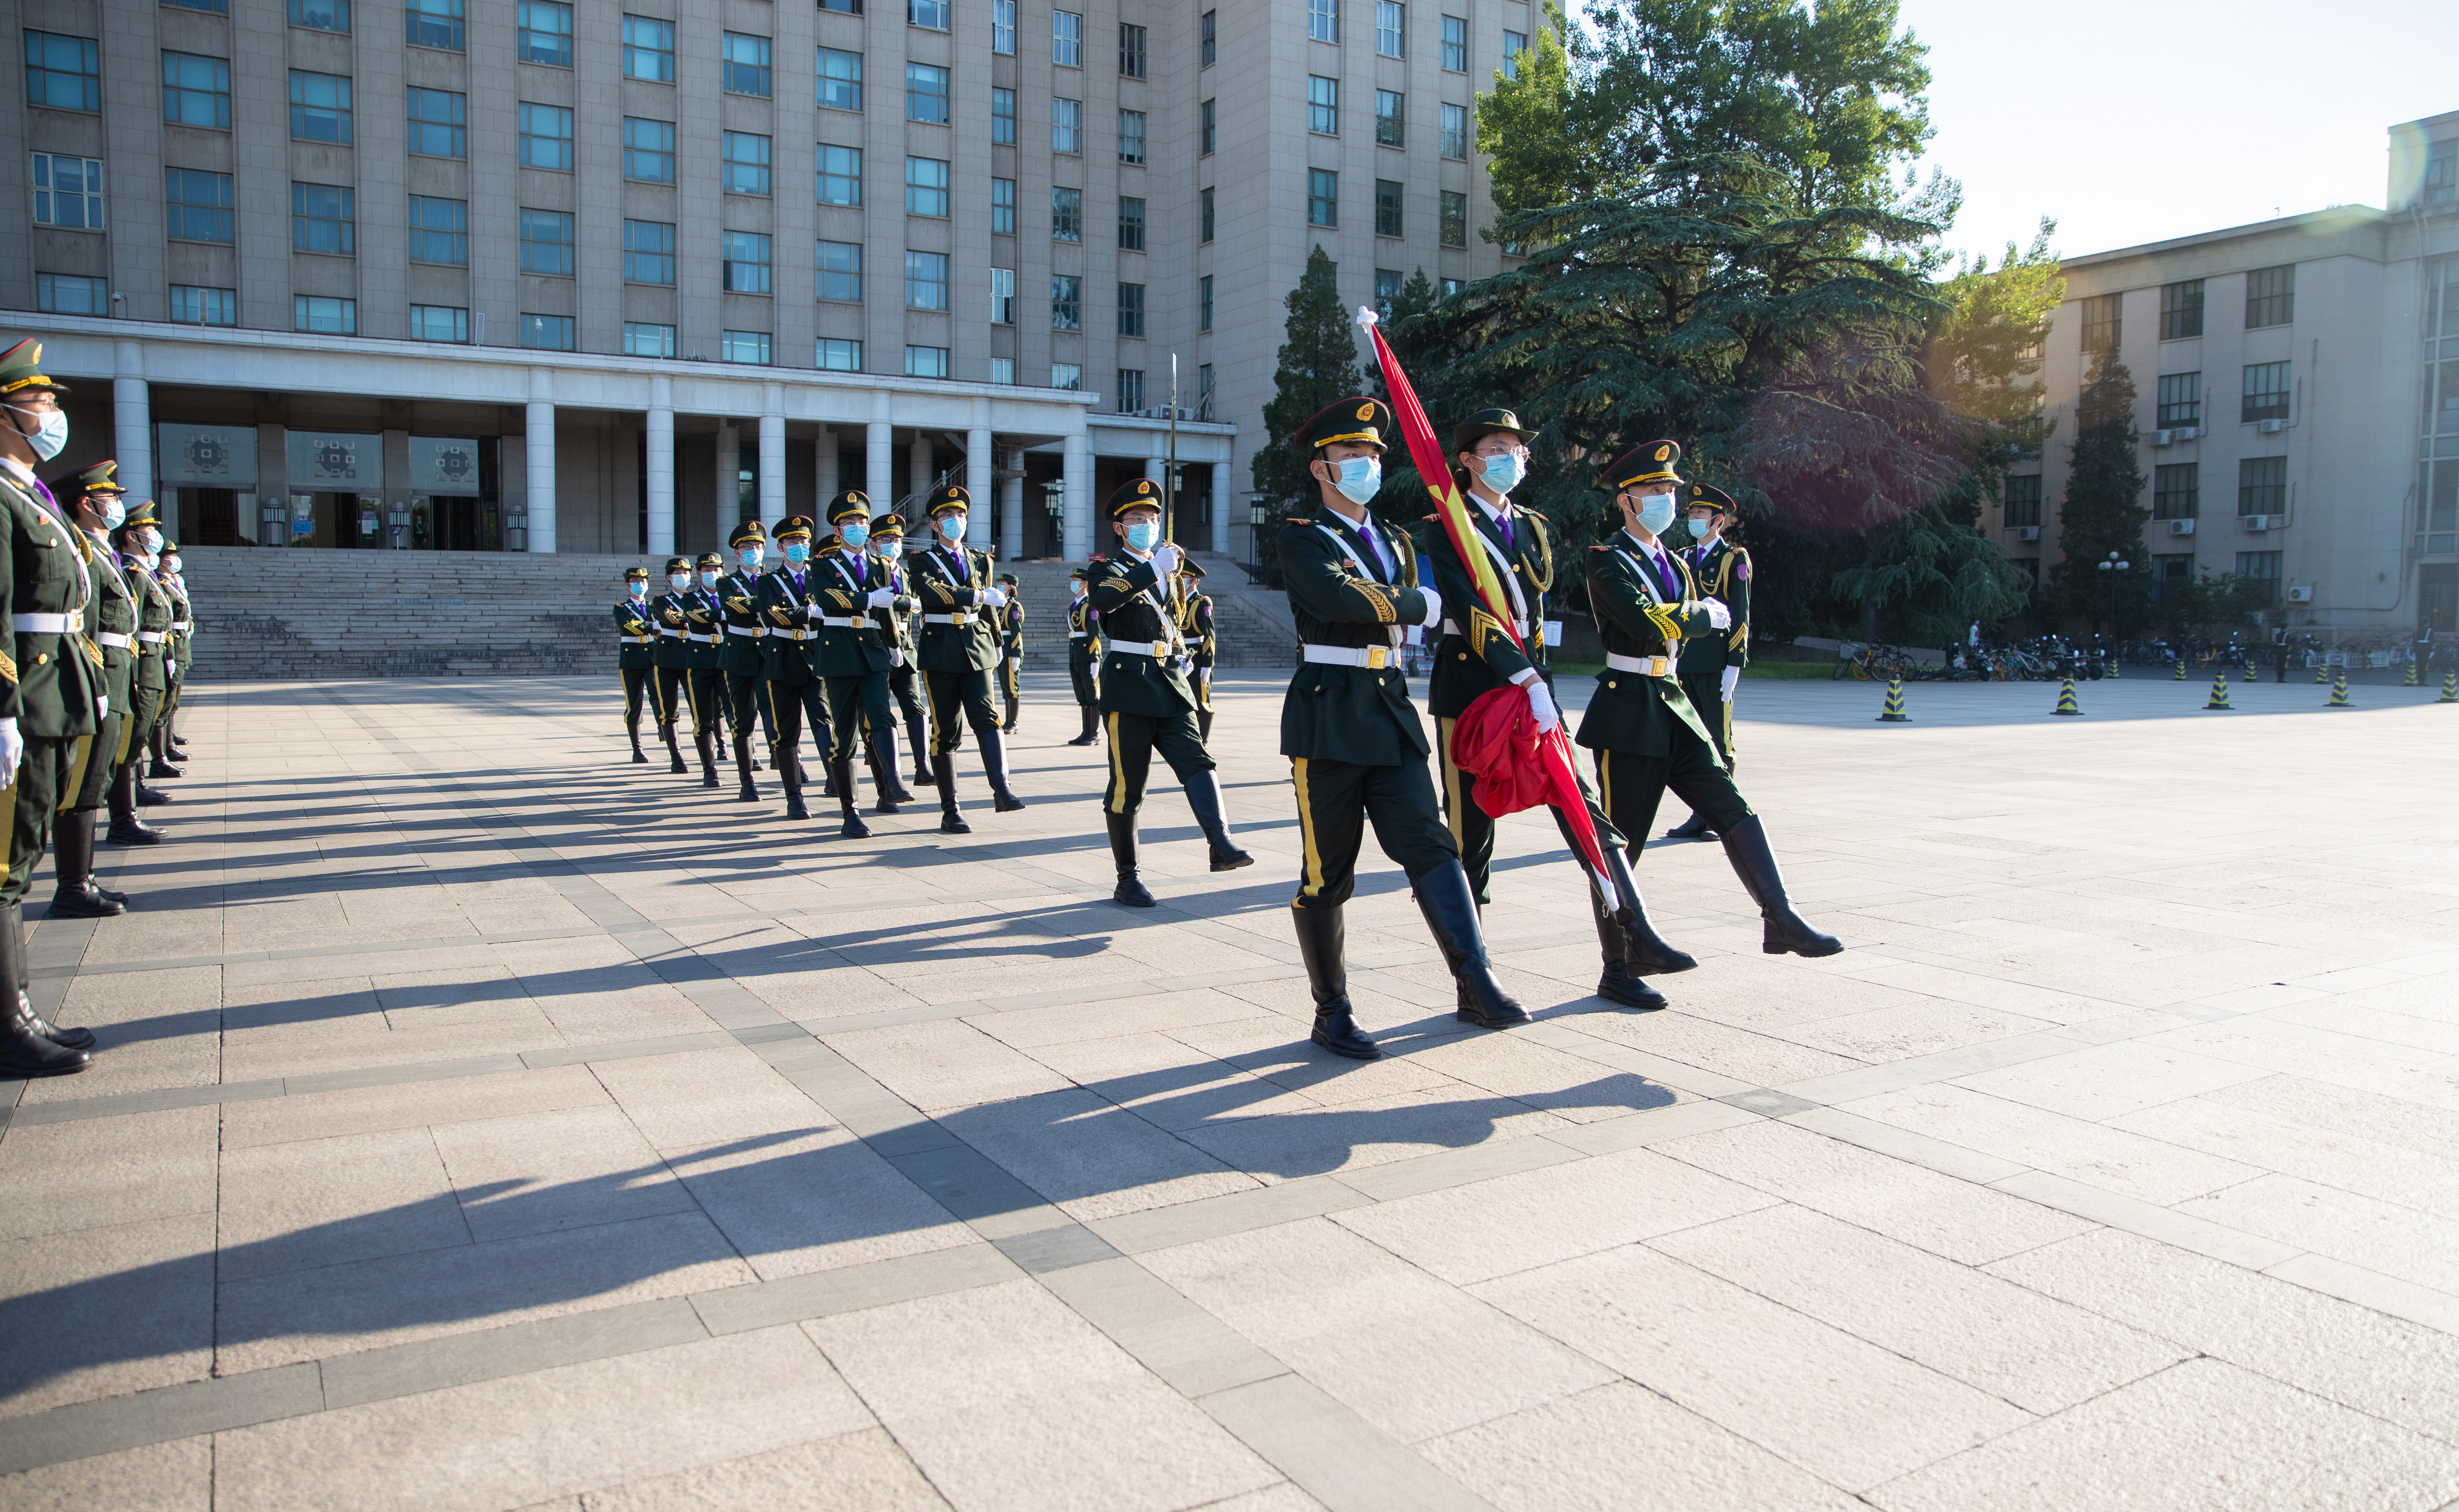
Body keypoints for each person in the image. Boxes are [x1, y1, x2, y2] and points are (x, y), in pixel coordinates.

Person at [1278, 397, 1526, 1060]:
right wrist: (1416, 601)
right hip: (1328, 714)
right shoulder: (1301, 534)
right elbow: (1337, 597)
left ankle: (1476, 980)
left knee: (1433, 845)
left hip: (1389, 710)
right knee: (1327, 873)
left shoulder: (1396, 538)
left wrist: (1519, 672)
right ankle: (1332, 1011)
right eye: (1352, 456)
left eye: (1373, 456)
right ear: (1321, 467)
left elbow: (1456, 607)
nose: (1366, 465)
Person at [1420, 409, 1690, 1013]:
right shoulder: (1447, 525)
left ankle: (1628, 946)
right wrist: (1518, 672)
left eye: (1516, 449)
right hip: (1474, 691)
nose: (1511, 459)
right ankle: (1475, 980)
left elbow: (1535, 609)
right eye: (1496, 448)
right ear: (1467, 459)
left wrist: (1536, 679)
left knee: (1585, 811)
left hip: (1534, 691)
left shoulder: (1534, 526)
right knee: (1470, 838)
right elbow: (1468, 610)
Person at [1579, 440, 1840, 958]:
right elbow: (1644, 620)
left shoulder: (1674, 562)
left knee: (1733, 808)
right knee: (1621, 846)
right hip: (1630, 707)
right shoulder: (1607, 559)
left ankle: (1780, 916)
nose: (1666, 500)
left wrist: (1701, 621)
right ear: (1626, 501)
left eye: (1670, 491)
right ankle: (1620, 964)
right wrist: (1702, 616)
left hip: (1675, 703)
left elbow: (1676, 612)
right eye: (1655, 491)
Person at [0, 338, 99, 1074]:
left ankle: (21, 1007)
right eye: (41, 404)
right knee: (3, 865)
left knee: (23, 851)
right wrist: (3, 705)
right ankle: (9, 1026)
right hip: (26, 691)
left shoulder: (30, 497)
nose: (53, 413)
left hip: (53, 685)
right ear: (7, 417)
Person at [1086, 480, 1252, 905]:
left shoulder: (1172, 576)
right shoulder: (1107, 568)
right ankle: (1128, 878)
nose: (1147, 525)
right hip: (1128, 684)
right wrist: (1152, 569)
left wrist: (1180, 654)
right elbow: (1105, 601)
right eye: (1137, 520)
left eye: (1153, 518)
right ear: (1120, 529)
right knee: (1129, 785)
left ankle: (1221, 841)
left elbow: (1173, 623)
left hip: (1170, 681)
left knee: (1198, 759)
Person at [905, 486, 1025, 831]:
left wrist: (998, 639)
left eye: (960, 515)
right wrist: (974, 594)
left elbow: (988, 607)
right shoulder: (921, 561)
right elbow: (931, 592)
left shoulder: (979, 560)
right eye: (946, 517)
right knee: (946, 730)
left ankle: (1001, 788)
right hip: (940, 649)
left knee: (988, 718)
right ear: (934, 524)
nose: (955, 521)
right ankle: (950, 808)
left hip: (976, 646)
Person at [49, 461, 137, 918]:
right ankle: (71, 886)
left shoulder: (99, 553)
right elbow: (84, 621)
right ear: (86, 503)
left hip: (117, 669)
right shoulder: (84, 552)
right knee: (82, 780)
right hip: (99, 670)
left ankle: (84, 878)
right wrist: (96, 678)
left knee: (98, 773)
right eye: (109, 499)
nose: (115, 507)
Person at [803, 489, 906, 835]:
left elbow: (887, 608)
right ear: (837, 531)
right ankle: (851, 812)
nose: (858, 527)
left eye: (862, 521)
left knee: (881, 713)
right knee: (844, 733)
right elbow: (827, 597)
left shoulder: (880, 565)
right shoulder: (822, 565)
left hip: (874, 650)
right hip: (840, 652)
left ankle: (893, 778)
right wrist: (866, 597)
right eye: (850, 523)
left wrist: (893, 643)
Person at [1663, 481, 1751, 841]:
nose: (1693, 519)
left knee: (1719, 739)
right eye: (1692, 514)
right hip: (1685, 663)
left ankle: (1719, 814)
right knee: (1691, 738)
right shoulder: (1682, 556)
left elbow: (1742, 613)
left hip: (1716, 665)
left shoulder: (1734, 559)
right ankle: (1700, 813)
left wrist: (1735, 663)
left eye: (1700, 514)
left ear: (1717, 520)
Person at [753, 516, 835, 820]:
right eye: (792, 542)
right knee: (787, 731)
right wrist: (809, 612)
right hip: (783, 659)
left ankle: (834, 777)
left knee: (823, 720)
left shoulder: (821, 577)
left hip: (815, 659)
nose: (799, 547)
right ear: (780, 547)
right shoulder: (769, 582)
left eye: (803, 541)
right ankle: (795, 796)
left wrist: (810, 614)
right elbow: (773, 616)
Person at [113, 503, 176, 817]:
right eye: (150, 532)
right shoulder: (132, 573)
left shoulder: (146, 574)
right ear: (132, 535)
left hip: (155, 656)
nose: (156, 538)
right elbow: (133, 624)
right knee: (134, 731)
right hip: (142, 661)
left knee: (143, 728)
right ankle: (125, 809)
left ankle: (136, 787)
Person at [869, 512, 937, 790]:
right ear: (874, 544)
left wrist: (908, 604)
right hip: (875, 646)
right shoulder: (871, 571)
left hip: (906, 649)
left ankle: (923, 766)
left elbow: (918, 602)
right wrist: (907, 603)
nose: (893, 544)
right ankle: (887, 780)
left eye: (897, 539)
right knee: (878, 714)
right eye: (886, 539)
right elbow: (879, 604)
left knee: (915, 707)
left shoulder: (906, 574)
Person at [713, 521, 775, 801]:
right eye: (747, 548)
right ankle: (746, 779)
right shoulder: (725, 582)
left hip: (768, 653)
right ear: (737, 554)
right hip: (738, 655)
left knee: (773, 711)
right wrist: (765, 602)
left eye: (758, 547)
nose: (753, 552)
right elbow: (731, 606)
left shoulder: (772, 579)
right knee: (742, 720)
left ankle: (787, 759)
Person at [613, 565, 659, 763]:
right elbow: (628, 627)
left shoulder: (653, 608)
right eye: (636, 582)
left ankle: (663, 728)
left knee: (658, 694)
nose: (640, 585)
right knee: (634, 703)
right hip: (631, 659)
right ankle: (637, 748)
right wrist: (652, 627)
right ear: (627, 585)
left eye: (643, 582)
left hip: (652, 657)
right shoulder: (621, 609)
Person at [1176, 558, 1219, 745]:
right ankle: (1189, 736)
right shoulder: (1180, 602)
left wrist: (1208, 664)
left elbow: (1210, 634)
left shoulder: (1202, 602)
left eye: (1184, 577)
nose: (1182, 581)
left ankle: (1203, 740)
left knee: (1201, 700)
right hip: (1183, 655)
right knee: (1185, 699)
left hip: (1199, 656)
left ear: (1194, 580)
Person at [1064, 565, 1102, 746]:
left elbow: (1094, 634)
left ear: (1085, 583)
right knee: (1082, 695)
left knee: (1092, 695)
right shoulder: (1074, 605)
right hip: (1076, 652)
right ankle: (1085, 731)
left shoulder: (1091, 605)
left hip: (1087, 654)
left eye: (1076, 581)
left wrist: (1095, 659)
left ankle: (1094, 732)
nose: (1073, 583)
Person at [997, 572, 1025, 732]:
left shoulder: (1014, 607)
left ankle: (1013, 722)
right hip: (1002, 649)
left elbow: (1016, 632)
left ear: (1010, 587)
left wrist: (1017, 654)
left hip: (1010, 650)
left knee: (1012, 686)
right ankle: (1008, 721)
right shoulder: (1001, 606)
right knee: (1005, 687)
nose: (1000, 585)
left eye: (1002, 583)